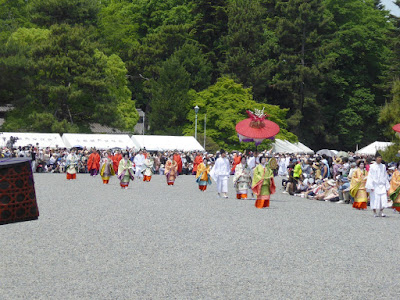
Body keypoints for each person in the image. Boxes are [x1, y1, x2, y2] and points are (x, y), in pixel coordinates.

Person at [365, 153, 390, 217]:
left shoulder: (383, 166)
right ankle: (374, 212)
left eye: (380, 157)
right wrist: (370, 186)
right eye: (378, 157)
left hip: (382, 184)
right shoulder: (372, 166)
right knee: (375, 198)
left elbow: (385, 176)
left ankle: (381, 211)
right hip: (375, 185)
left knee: (383, 199)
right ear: (376, 158)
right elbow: (370, 176)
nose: (380, 159)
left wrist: (387, 185)